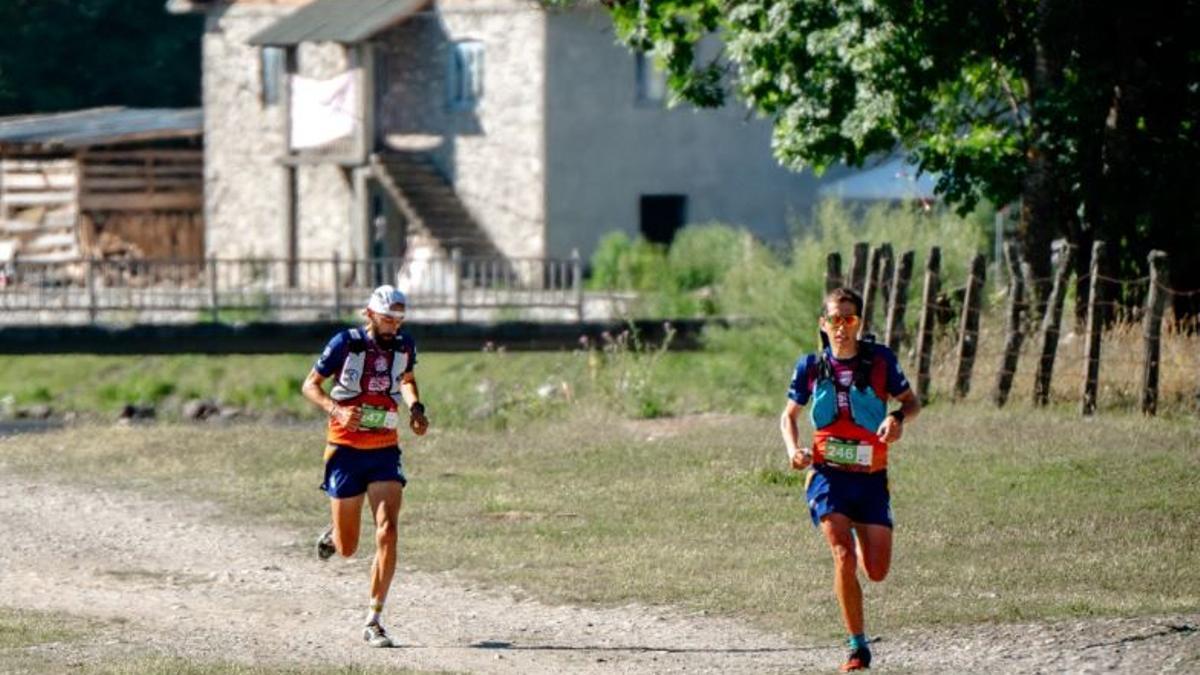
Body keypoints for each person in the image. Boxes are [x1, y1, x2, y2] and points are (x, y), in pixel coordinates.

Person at [779, 287, 920, 672]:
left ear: (859, 323)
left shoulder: (881, 361)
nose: (841, 327)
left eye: (849, 319)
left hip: (871, 478)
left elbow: (911, 402)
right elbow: (788, 416)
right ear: (823, 324)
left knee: (876, 571)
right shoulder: (810, 366)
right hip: (827, 476)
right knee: (842, 555)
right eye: (834, 319)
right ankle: (857, 646)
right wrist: (794, 451)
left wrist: (896, 418)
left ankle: (859, 531)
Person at [301, 284, 429, 648]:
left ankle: (374, 620)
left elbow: (406, 378)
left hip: (384, 450)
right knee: (348, 548)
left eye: (399, 320)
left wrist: (415, 407)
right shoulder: (345, 343)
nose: (394, 326)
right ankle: (334, 535)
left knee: (388, 531)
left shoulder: (405, 345)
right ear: (370, 314)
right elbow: (310, 385)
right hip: (345, 450)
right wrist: (337, 410)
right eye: (387, 319)